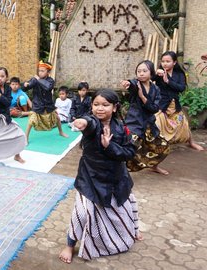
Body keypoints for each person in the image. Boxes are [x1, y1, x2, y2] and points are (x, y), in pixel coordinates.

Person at [58, 90, 142, 264]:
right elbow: (89, 123)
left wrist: (109, 146)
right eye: (96, 104)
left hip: (116, 177)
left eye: (105, 105)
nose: (100, 109)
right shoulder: (93, 123)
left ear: (114, 107)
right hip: (90, 177)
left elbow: (129, 152)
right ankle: (69, 245)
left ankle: (130, 231)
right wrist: (82, 121)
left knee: (124, 207)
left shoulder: (122, 127)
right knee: (81, 213)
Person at [121, 60, 170, 175]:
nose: (141, 73)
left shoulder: (156, 89)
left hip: (149, 124)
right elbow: (131, 84)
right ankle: (119, 170)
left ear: (151, 73)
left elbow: (155, 108)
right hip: (134, 122)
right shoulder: (135, 84)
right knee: (129, 147)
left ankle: (154, 166)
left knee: (163, 146)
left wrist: (142, 97)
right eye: (139, 71)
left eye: (144, 71)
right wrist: (127, 83)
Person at [154, 51, 204, 151]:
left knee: (183, 123)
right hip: (161, 105)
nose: (165, 63)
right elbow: (149, 78)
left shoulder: (179, 74)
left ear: (174, 62)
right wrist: (155, 74)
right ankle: (156, 144)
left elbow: (181, 88)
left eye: (168, 61)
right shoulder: (159, 73)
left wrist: (168, 81)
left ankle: (191, 142)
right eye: (163, 61)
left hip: (174, 104)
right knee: (156, 122)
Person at [23, 61, 68, 143]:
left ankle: (61, 132)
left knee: (57, 118)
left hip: (48, 105)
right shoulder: (35, 79)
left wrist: (38, 79)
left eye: (42, 71)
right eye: (39, 70)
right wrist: (25, 85)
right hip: (37, 105)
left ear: (48, 72)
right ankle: (26, 138)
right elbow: (27, 87)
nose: (40, 72)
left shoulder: (51, 81)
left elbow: (48, 87)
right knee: (30, 121)